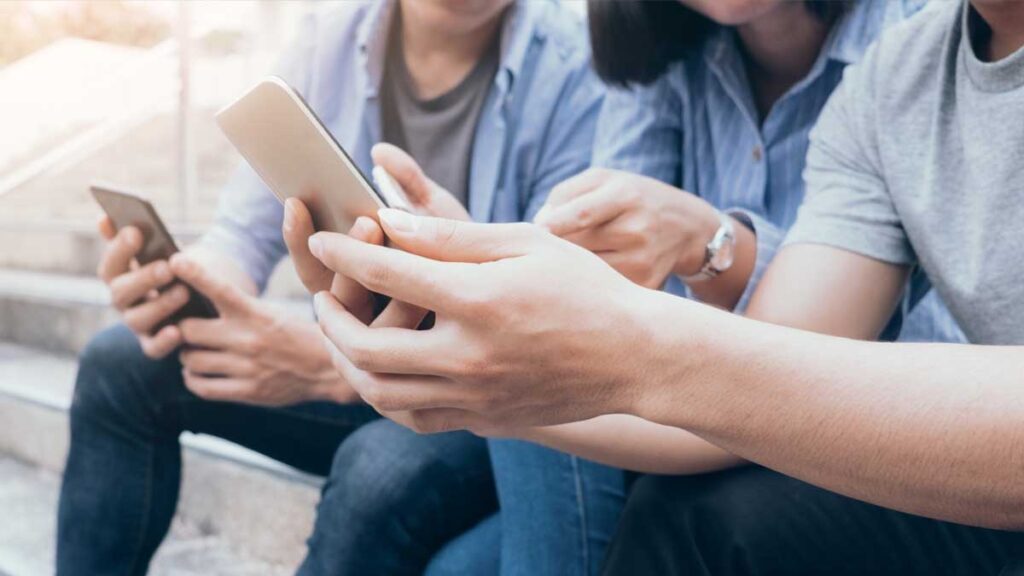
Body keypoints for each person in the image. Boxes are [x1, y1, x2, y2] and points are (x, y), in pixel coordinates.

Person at [305, 0, 1024, 573]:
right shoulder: (898, 79)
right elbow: (771, 368)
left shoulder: (877, 54)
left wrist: (685, 269)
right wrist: (479, 345)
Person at [56, 0, 601, 574]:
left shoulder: (575, 68)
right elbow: (242, 234)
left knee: (380, 472)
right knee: (119, 361)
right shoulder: (329, 39)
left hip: (490, 401)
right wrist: (191, 284)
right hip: (361, 356)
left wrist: (329, 363)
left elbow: (549, 324)